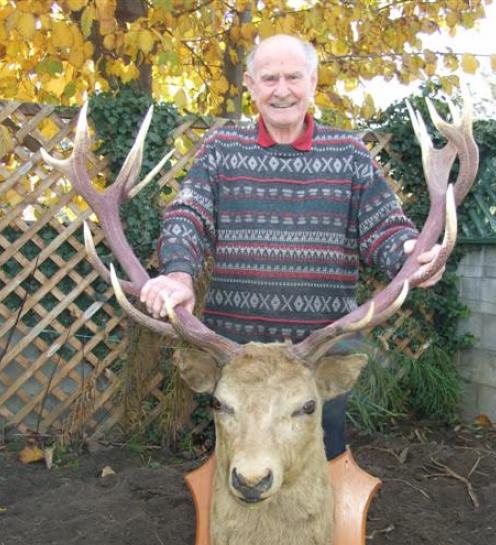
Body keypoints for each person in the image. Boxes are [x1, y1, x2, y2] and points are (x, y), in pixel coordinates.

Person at [140, 34, 444, 460]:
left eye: (292, 77)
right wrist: (177, 274)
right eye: (269, 78)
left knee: (322, 464)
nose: (281, 90)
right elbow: (187, 215)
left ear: (313, 81)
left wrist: (414, 252)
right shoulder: (221, 151)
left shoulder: (350, 154)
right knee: (242, 467)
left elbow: (385, 229)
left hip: (319, 357)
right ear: (249, 84)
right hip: (238, 357)